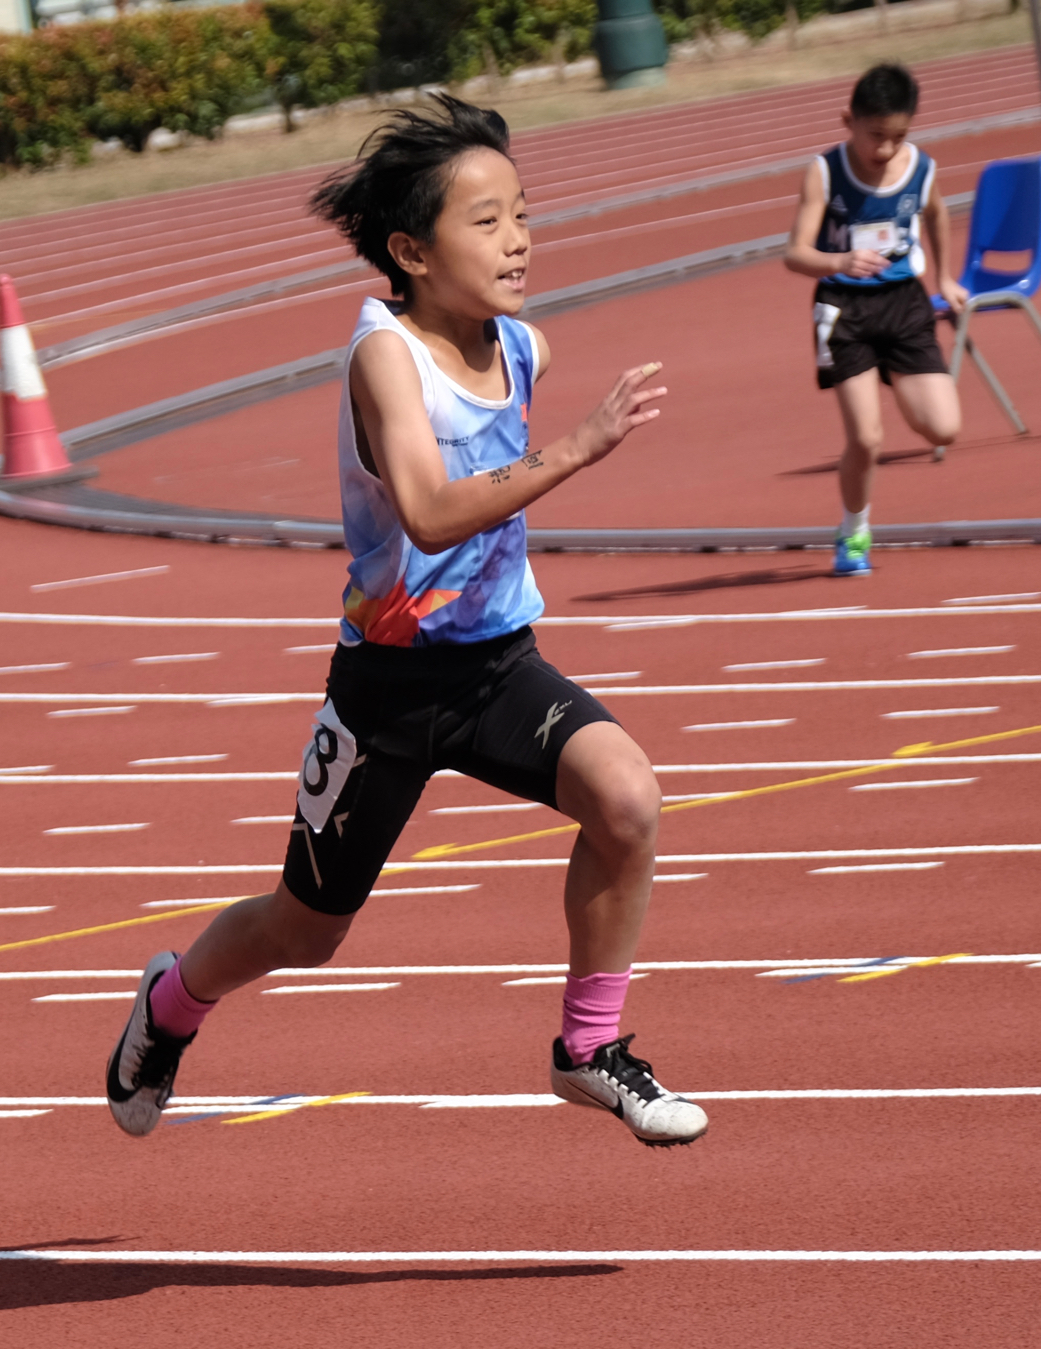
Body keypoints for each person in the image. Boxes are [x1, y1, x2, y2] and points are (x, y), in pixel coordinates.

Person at [104, 95, 706, 1149]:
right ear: (410, 250)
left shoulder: (521, 343)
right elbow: (425, 514)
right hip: (386, 694)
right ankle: (172, 1002)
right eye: (487, 220)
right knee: (306, 930)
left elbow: (519, 383)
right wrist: (575, 449)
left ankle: (588, 1048)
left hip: (497, 668)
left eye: (523, 211)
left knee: (628, 799)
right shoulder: (385, 356)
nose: (518, 237)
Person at [785, 63, 966, 578]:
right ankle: (854, 532)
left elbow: (937, 213)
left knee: (944, 428)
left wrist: (946, 278)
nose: (885, 149)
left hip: (905, 304)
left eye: (898, 137)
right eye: (875, 136)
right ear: (849, 120)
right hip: (845, 309)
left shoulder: (921, 168)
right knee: (866, 439)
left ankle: (892, 369)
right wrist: (838, 261)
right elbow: (795, 254)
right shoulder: (824, 172)